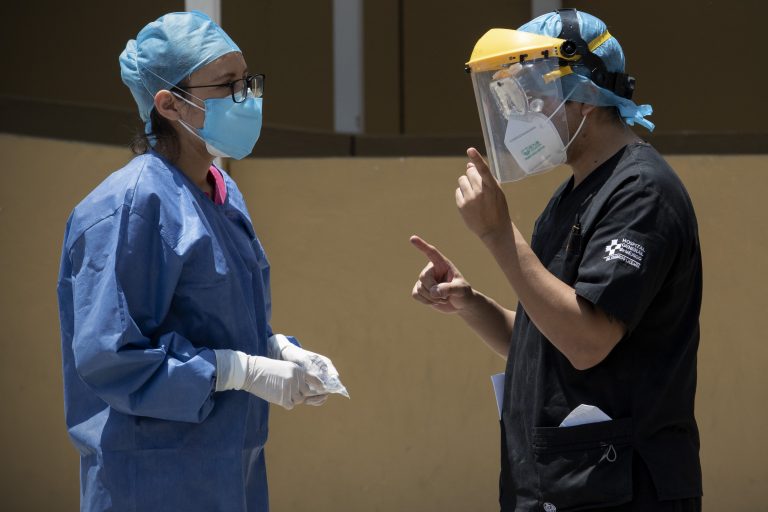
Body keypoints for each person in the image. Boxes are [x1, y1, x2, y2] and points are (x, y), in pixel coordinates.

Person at [410, 9, 701, 511]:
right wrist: (470, 303)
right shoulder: (575, 194)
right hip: (564, 486)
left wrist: (499, 235)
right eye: (509, 96)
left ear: (584, 97)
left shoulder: (640, 193)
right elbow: (547, 339)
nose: (519, 111)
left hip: (623, 488)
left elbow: (587, 342)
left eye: (529, 93)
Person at [57, 11, 345, 512]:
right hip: (151, 481)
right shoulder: (130, 205)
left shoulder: (222, 192)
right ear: (169, 104)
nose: (248, 96)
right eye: (227, 85)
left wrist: (274, 349)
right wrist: (239, 369)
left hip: (230, 471)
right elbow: (112, 359)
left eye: (248, 80)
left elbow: (216, 315)